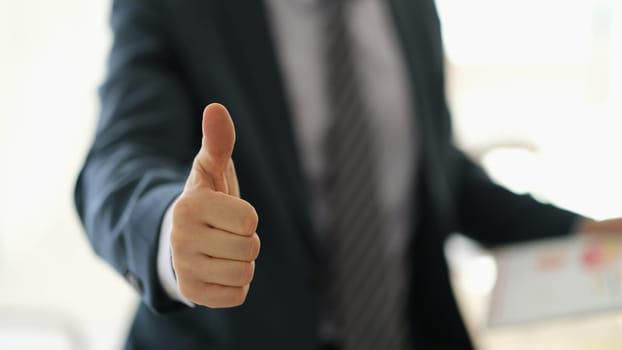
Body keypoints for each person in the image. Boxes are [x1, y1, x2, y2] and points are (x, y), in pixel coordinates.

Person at [74, 0, 622, 349]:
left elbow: (436, 172)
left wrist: (577, 232)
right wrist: (174, 232)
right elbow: (116, 161)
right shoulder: (175, 9)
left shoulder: (410, 11)